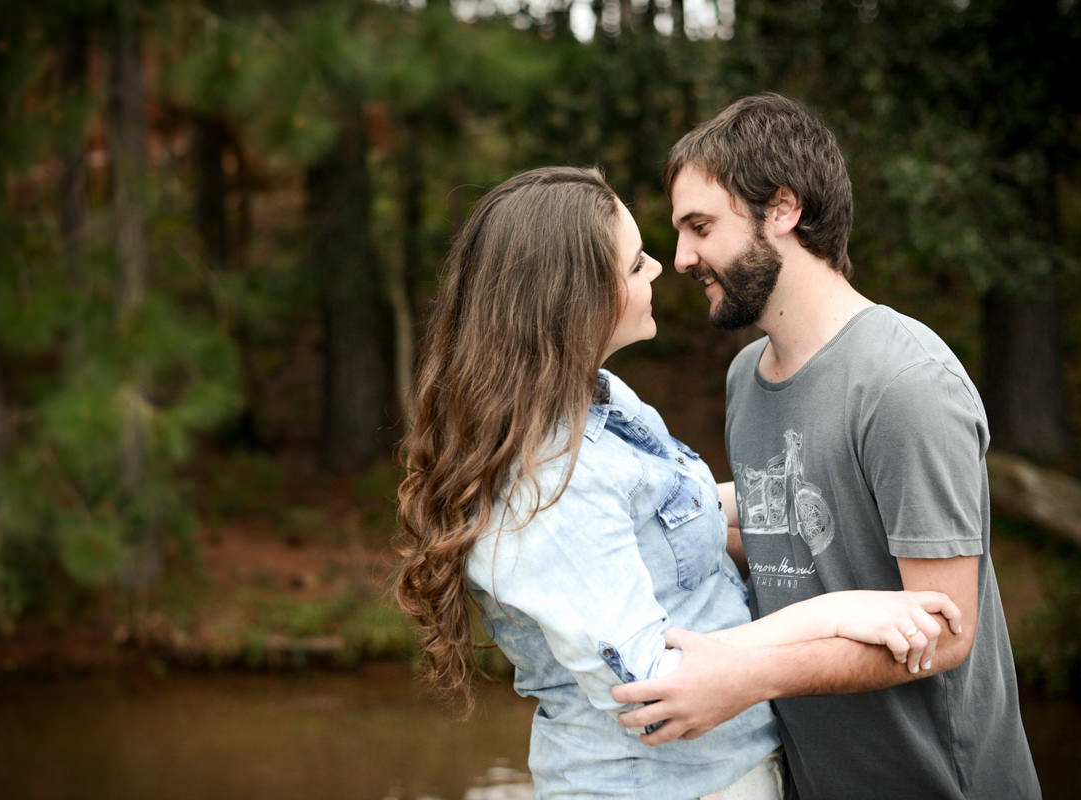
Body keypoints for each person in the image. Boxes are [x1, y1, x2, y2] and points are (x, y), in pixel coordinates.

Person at [394, 166, 962, 799]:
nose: (663, 268)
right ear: (576, 299)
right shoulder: (547, 484)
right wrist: (839, 610)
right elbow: (655, 689)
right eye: (637, 264)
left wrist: (850, 488)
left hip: (733, 769)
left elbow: (678, 517)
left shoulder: (601, 405)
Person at [610, 94, 1041, 799]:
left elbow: (946, 628)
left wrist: (743, 677)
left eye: (699, 227)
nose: (682, 258)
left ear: (782, 209)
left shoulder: (905, 383)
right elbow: (791, 547)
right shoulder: (746, 378)